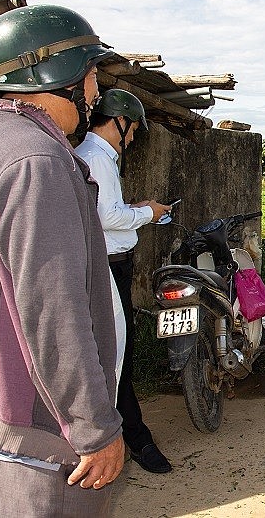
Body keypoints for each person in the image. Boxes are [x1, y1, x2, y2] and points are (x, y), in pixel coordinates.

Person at [0, 5, 125, 515]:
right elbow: (53, 313)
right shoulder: (36, 161)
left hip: (1, 411)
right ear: (59, 74)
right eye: (93, 74)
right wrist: (94, 427)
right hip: (39, 427)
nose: (95, 91)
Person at [76, 89, 173, 474]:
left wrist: (134, 208)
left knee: (114, 351)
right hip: (111, 266)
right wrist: (147, 213)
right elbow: (108, 218)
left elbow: (107, 211)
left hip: (108, 262)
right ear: (120, 122)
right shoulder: (98, 158)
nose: (131, 138)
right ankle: (134, 437)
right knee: (119, 355)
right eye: (132, 130)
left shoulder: (92, 156)